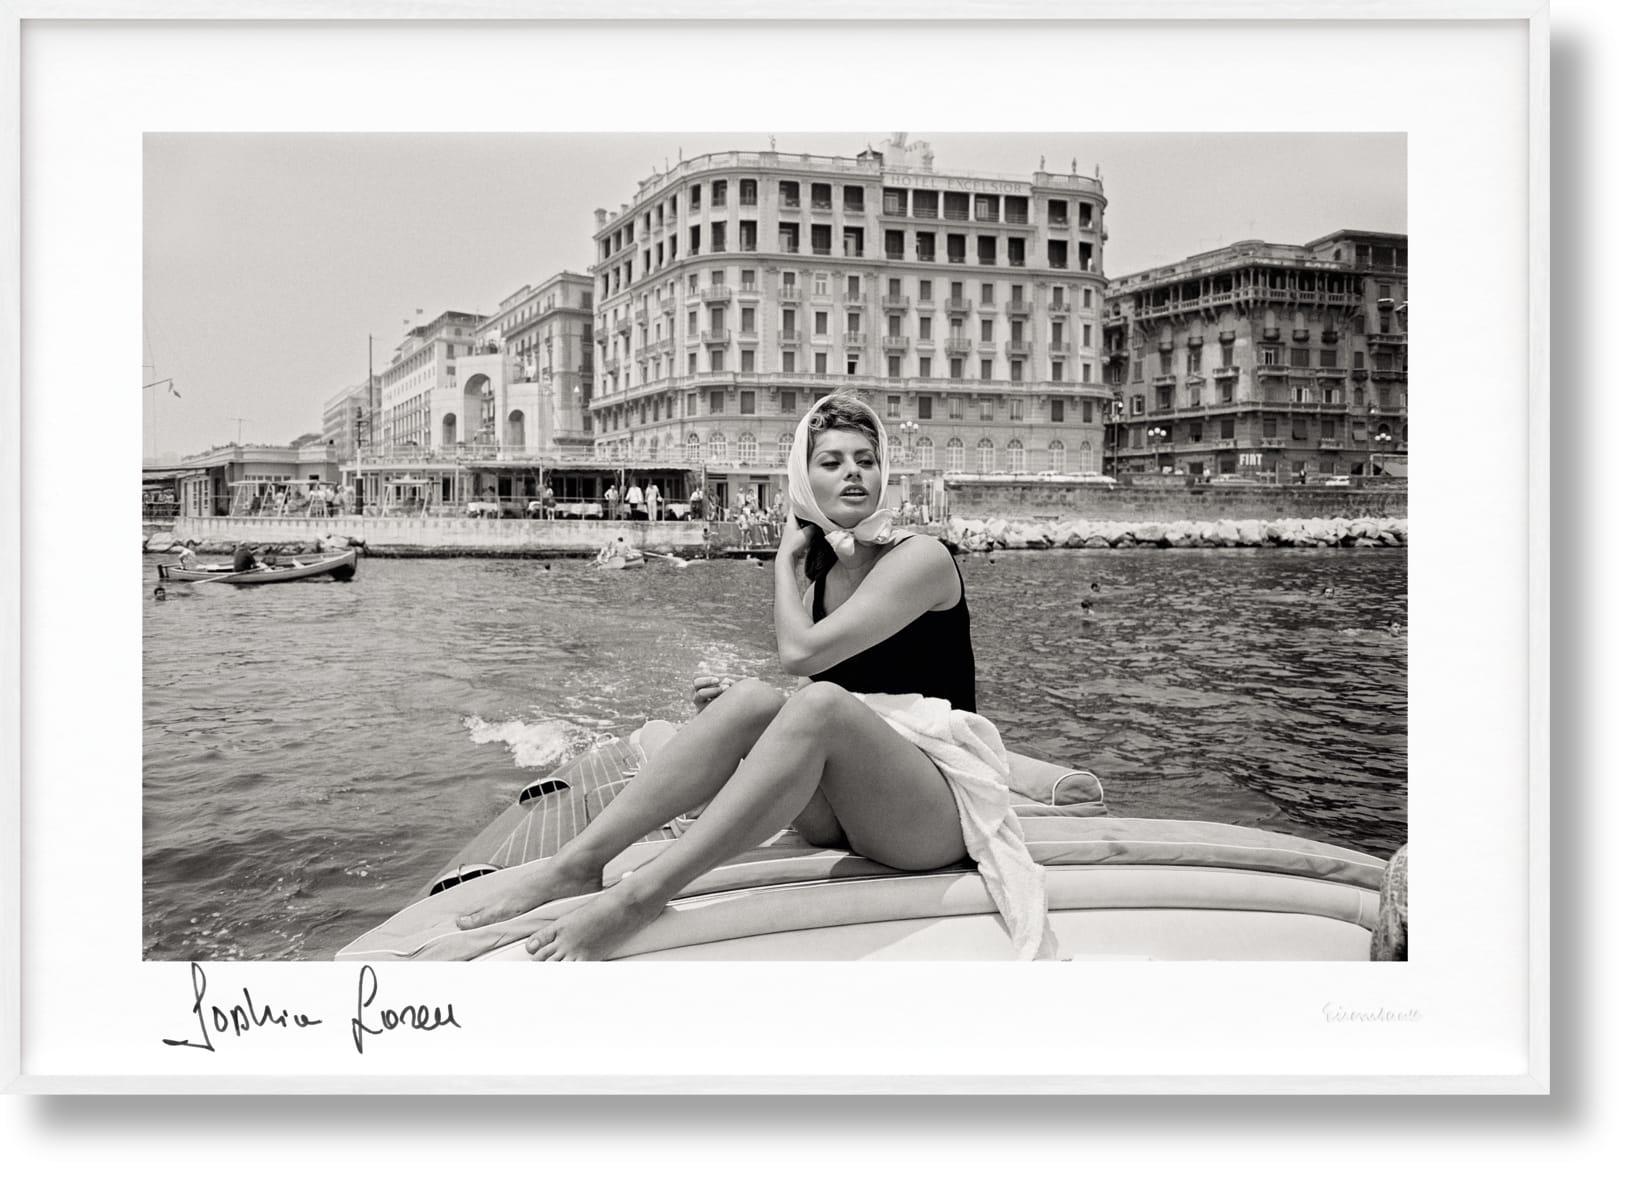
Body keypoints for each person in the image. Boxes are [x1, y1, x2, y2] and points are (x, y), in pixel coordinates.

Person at [455, 389, 1053, 961]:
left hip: (935, 817)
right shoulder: (824, 583)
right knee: (750, 699)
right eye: (832, 461)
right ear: (804, 480)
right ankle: (577, 865)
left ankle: (640, 896)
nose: (853, 473)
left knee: (812, 701)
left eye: (866, 461)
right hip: (860, 811)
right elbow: (855, 697)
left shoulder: (922, 557)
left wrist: (784, 562)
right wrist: (758, 707)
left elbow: (803, 657)